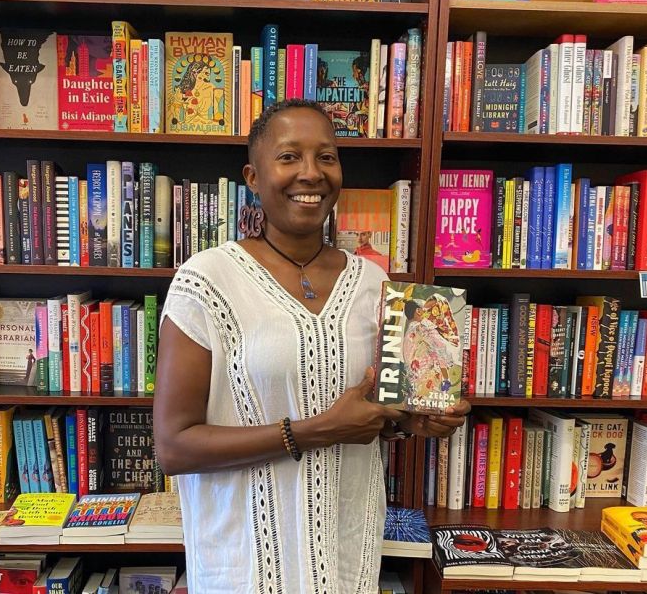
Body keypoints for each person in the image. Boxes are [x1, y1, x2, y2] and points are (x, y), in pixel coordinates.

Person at [153, 99, 470, 592]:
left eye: (326, 157)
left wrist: (416, 420)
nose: (311, 173)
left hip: (346, 555)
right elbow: (174, 447)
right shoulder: (206, 281)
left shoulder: (373, 281)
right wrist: (314, 431)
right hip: (247, 564)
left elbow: (372, 412)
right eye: (288, 157)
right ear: (253, 176)